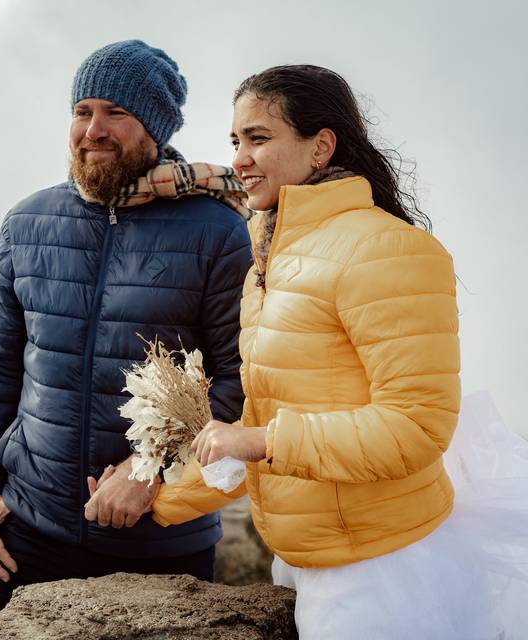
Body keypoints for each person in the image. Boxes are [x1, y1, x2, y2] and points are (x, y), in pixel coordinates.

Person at [152, 64, 528, 638]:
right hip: (303, 558)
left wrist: (260, 440)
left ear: (321, 147)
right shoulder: (268, 263)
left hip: (381, 572)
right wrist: (157, 498)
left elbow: (417, 426)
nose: (240, 158)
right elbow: (258, 423)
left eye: (258, 138)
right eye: (235, 140)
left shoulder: (388, 249)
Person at [0, 40, 253, 639]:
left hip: (161, 541)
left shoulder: (218, 232)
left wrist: (149, 467)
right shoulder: (28, 222)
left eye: (116, 113)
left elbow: (242, 379)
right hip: (26, 527)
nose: (94, 129)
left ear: (154, 128)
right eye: (82, 112)